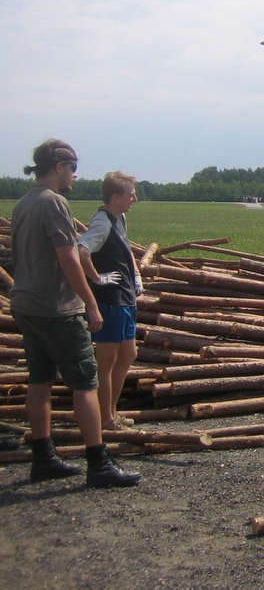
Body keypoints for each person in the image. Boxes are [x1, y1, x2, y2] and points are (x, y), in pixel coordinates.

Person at [11, 139, 141, 487]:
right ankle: (98, 463)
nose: (74, 174)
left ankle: (43, 457)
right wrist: (91, 301)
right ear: (58, 167)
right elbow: (70, 257)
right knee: (85, 381)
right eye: (72, 167)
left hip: (26, 304)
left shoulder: (23, 203)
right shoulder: (54, 204)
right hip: (56, 307)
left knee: (39, 380)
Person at [78, 171, 143, 431]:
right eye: (130, 194)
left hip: (125, 296)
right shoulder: (102, 223)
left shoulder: (119, 219)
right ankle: (106, 419)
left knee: (129, 353)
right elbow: (82, 251)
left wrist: (136, 274)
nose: (134, 199)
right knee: (106, 362)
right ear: (115, 196)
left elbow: (126, 248)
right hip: (110, 299)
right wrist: (96, 278)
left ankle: (112, 412)